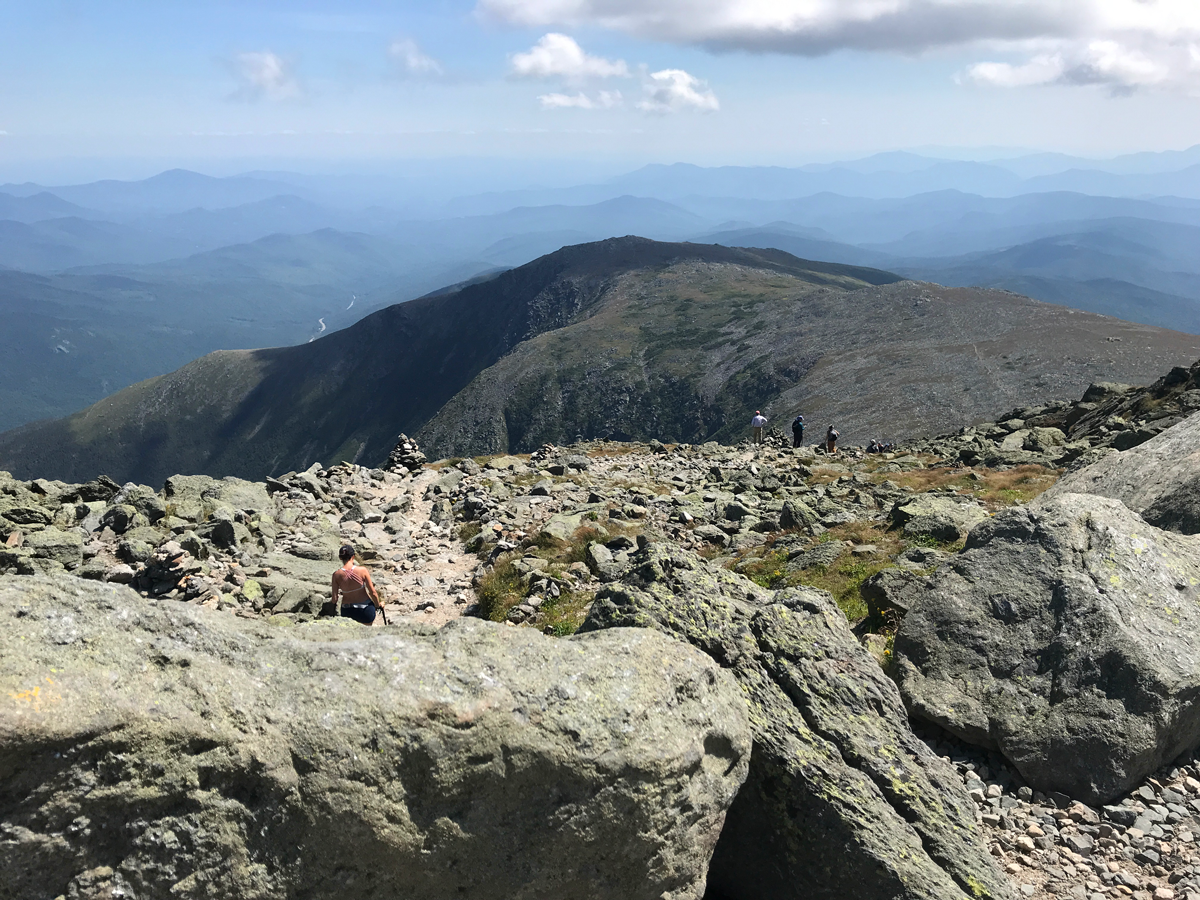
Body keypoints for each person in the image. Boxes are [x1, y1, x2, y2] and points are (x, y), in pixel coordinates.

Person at [331, 543, 383, 625]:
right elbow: (373, 592)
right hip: (365, 610)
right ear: (353, 557)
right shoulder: (362, 570)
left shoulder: (336, 575)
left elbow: (334, 599)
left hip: (347, 611)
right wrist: (378, 605)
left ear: (340, 558)